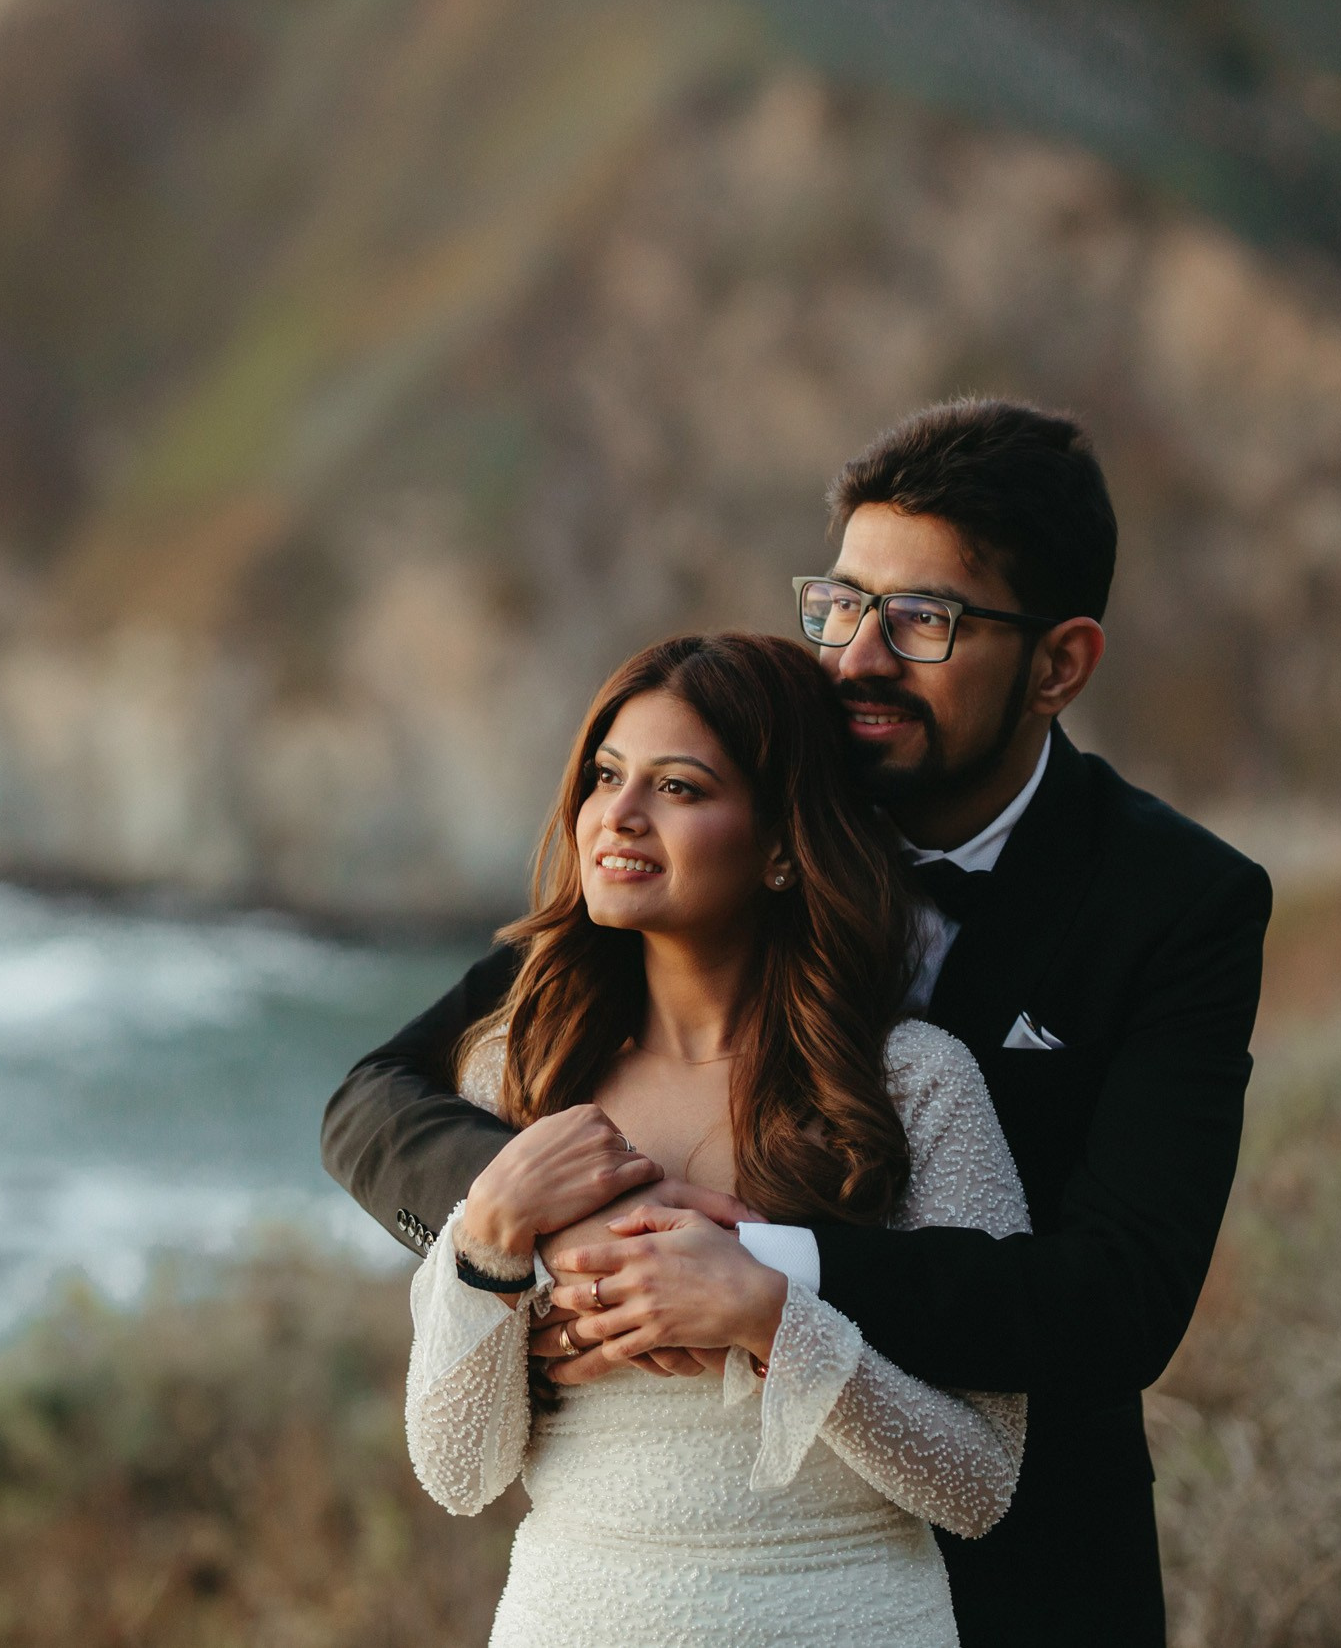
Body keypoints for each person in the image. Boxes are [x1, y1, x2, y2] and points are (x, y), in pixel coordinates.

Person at [327, 399, 1273, 1647]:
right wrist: (565, 1227)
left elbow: (1119, 1298)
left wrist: (769, 1268)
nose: (858, 659)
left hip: (1023, 1579)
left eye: (923, 620)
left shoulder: (1174, 901)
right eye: (839, 605)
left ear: (1059, 663)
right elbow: (376, 1101)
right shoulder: (720, 829)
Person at [406, 630, 1029, 1647]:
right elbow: (456, 1469)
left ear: (783, 841)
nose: (619, 812)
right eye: (605, 776)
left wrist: (768, 1314)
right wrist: (490, 1235)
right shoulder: (515, 1073)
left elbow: (978, 1481)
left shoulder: (913, 1083)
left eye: (680, 786)